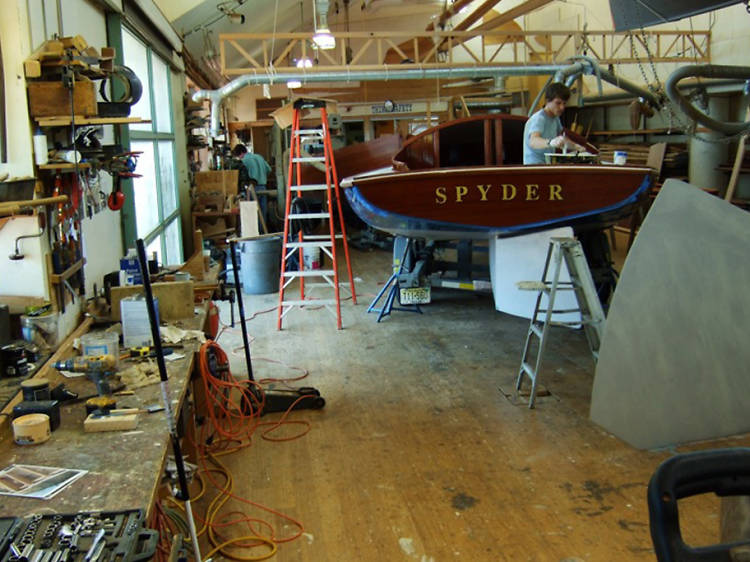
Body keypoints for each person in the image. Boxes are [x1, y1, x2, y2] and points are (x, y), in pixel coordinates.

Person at [523, 82, 585, 165]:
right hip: (534, 167)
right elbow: (533, 141)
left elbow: (562, 139)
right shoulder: (539, 118)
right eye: (558, 103)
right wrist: (550, 142)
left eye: (564, 103)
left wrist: (576, 146)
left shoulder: (555, 119)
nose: (562, 107)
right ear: (548, 101)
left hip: (547, 164)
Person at [232, 143, 272, 216]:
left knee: (253, 214)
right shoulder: (259, 157)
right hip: (263, 187)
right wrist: (262, 176)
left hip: (252, 188)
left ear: (241, 153)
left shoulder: (244, 161)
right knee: (262, 213)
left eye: (238, 156)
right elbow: (269, 169)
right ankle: (262, 228)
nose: (239, 158)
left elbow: (243, 176)